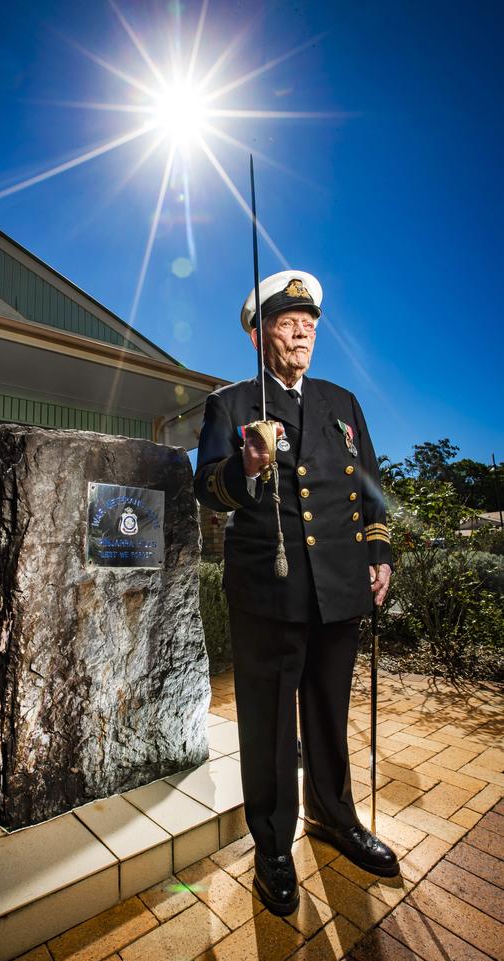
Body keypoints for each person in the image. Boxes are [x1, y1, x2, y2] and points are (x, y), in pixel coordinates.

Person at [194, 270, 398, 916]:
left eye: (308, 323)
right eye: (287, 322)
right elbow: (207, 489)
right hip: (269, 591)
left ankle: (333, 817)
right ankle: (274, 845)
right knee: (272, 726)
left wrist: (380, 552)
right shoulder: (230, 405)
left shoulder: (342, 405)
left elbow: (370, 487)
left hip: (339, 589)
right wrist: (245, 466)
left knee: (329, 713)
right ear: (261, 336)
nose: (302, 331)